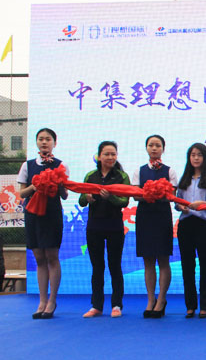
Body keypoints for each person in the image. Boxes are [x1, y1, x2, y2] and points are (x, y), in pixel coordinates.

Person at [17, 128, 68, 319]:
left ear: (55, 143)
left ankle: (52, 301)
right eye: (41, 139)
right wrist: (35, 185)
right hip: (33, 214)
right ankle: (41, 300)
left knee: (52, 256)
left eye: (48, 139)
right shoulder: (28, 165)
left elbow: (65, 195)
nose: (44, 142)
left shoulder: (60, 165)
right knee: (39, 257)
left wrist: (59, 184)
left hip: (51, 214)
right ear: (37, 142)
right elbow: (22, 193)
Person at [80, 141, 130, 318]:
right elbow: (81, 201)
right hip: (94, 226)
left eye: (113, 154)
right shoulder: (90, 175)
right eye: (106, 154)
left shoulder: (122, 176)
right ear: (99, 156)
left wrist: (111, 197)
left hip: (114, 226)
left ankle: (116, 305)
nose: (110, 157)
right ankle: (96, 306)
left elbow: (125, 201)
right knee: (97, 267)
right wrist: (87, 198)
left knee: (115, 265)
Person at [132, 134, 178, 319]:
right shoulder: (139, 171)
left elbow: (172, 195)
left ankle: (162, 299)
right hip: (145, 216)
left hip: (162, 216)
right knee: (148, 261)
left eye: (158, 145)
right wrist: (148, 194)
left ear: (163, 149)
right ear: (146, 148)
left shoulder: (170, 171)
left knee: (163, 259)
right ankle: (151, 299)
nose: (154, 148)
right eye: (151, 145)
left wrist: (159, 193)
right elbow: (135, 195)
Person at [175, 143, 206, 319]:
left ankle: (205, 305)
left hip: (204, 224)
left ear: (205, 157)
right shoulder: (184, 178)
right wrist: (181, 207)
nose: (196, 158)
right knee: (187, 265)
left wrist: (199, 205)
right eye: (193, 155)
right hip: (186, 224)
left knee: (205, 265)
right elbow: (177, 201)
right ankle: (190, 305)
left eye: (199, 155)